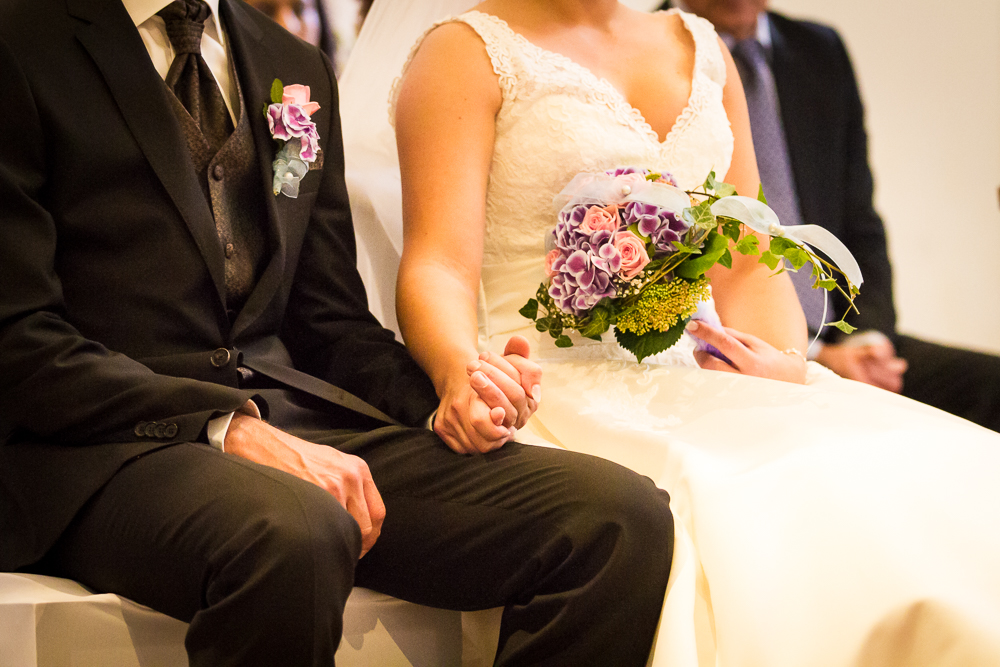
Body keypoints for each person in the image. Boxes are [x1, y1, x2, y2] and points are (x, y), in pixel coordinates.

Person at [0, 0, 678, 665]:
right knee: (296, 529)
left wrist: (449, 391)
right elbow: (19, 339)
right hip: (100, 451)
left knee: (616, 519)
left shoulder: (289, 64)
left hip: (295, 423)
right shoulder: (20, 41)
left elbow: (330, 321)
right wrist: (224, 424)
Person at [340, 0, 1000, 665]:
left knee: (916, 463)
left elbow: (749, 256)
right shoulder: (466, 51)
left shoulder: (701, 46)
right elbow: (440, 264)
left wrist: (784, 361)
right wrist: (462, 368)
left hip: (705, 369)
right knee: (764, 495)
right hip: (554, 380)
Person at [667, 0, 1000, 432]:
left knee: (990, 386)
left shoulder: (818, 50)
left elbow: (859, 218)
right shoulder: (655, 51)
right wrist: (814, 356)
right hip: (732, 350)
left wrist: (869, 338)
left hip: (846, 330)